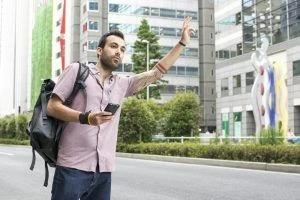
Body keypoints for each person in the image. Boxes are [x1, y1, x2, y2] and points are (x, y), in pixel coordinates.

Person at [47, 17, 195, 200]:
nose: (119, 52)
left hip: (103, 171)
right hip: (72, 168)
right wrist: (86, 118)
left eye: (123, 49)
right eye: (114, 46)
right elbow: (52, 107)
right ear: (100, 51)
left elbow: (156, 72)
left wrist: (182, 43)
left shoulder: (122, 84)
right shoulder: (76, 71)